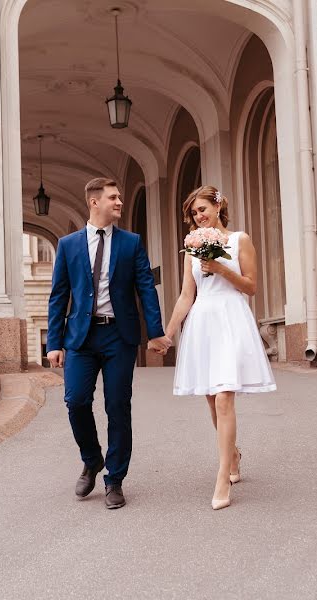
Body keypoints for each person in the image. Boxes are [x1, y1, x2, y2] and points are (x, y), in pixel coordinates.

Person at [46, 177, 172, 509]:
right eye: (113, 197)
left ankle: (114, 478)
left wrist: (155, 331)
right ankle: (92, 459)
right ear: (94, 202)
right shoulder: (69, 244)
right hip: (81, 338)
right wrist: (54, 343)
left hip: (119, 336)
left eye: (120, 197)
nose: (119, 202)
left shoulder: (131, 243)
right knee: (75, 401)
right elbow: (59, 295)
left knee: (118, 407)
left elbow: (146, 287)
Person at [164, 185, 276, 510]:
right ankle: (235, 453)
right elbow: (187, 295)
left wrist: (223, 269)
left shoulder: (240, 239)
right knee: (213, 401)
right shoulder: (192, 250)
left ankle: (222, 474)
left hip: (231, 319)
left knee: (225, 398)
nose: (198, 217)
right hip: (203, 324)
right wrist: (169, 332)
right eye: (193, 213)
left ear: (217, 206)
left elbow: (252, 287)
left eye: (202, 209)